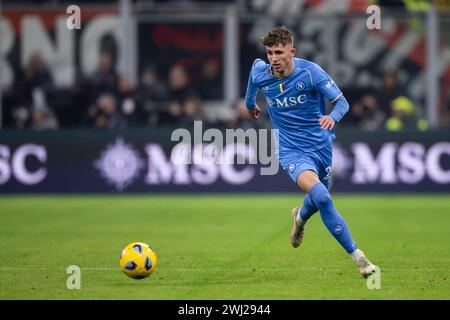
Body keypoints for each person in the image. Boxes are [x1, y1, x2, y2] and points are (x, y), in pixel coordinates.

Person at [244, 26, 377, 278]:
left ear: (291, 52)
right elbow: (251, 93)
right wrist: (251, 107)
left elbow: (342, 102)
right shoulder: (262, 73)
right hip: (291, 150)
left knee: (318, 198)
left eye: (279, 52)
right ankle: (359, 258)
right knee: (323, 197)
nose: (273, 58)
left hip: (321, 146)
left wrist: (332, 117)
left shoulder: (310, 72)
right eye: (270, 52)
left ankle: (300, 218)